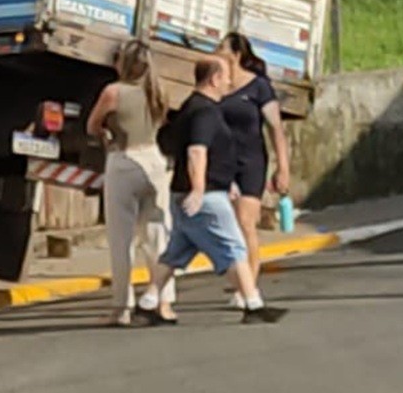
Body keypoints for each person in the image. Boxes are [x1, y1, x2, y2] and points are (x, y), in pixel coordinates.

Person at [136, 57, 286, 326]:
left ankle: (147, 302)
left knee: (175, 253)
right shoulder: (205, 112)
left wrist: (225, 182)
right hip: (204, 197)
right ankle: (253, 305)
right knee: (234, 247)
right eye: (226, 76)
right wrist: (199, 188)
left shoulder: (190, 108)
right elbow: (197, 151)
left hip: (188, 192)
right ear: (214, 78)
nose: (230, 82)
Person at [85, 40, 175, 326]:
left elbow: (92, 125)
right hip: (154, 160)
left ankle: (122, 307)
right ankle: (164, 302)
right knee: (157, 236)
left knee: (121, 238)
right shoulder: (159, 92)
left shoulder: (113, 92)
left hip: (124, 160)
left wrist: (105, 135)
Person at [216, 32, 291, 291]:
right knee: (226, 225)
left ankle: (248, 286)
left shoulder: (259, 87)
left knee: (245, 223)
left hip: (251, 163)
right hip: (222, 165)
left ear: (236, 55)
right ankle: (239, 276)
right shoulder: (217, 86)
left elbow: (275, 129)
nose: (217, 52)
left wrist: (283, 168)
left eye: (221, 48)